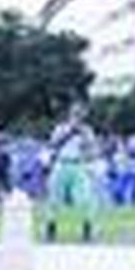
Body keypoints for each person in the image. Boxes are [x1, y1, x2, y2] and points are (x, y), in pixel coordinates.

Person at [44, 104, 100, 242]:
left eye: (80, 115)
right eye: (75, 114)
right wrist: (70, 132)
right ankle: (51, 229)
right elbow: (53, 144)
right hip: (61, 164)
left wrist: (84, 137)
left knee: (86, 199)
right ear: (70, 115)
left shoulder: (87, 131)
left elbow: (93, 150)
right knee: (54, 198)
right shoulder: (61, 128)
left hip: (78, 165)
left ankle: (87, 229)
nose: (77, 118)